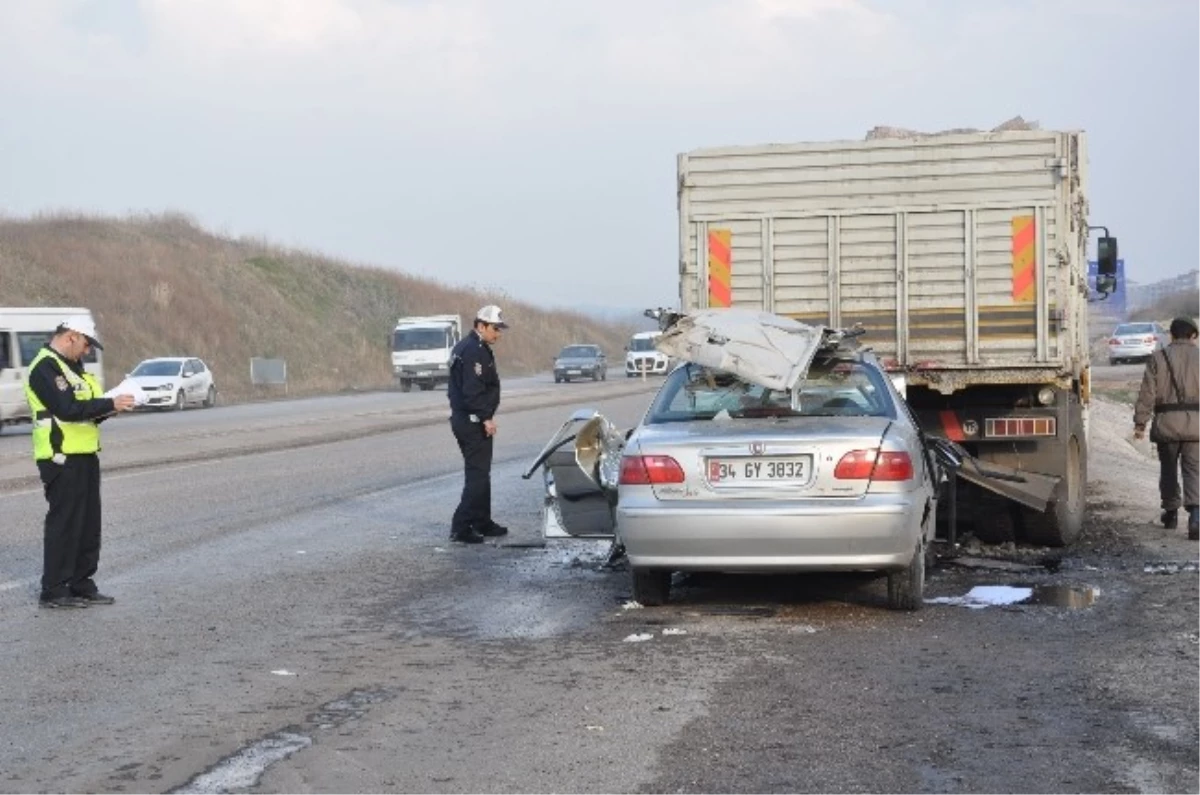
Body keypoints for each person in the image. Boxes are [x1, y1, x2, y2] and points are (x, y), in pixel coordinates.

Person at [25, 316, 136, 608]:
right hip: (60, 456)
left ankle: (81, 583)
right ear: (71, 336)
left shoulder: (75, 369)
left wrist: (111, 407)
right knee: (65, 523)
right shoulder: (45, 368)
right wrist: (108, 404)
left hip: (85, 453)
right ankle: (55, 590)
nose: (87, 351)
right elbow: (67, 408)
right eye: (86, 344)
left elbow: (88, 410)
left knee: (88, 523)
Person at [446, 305, 509, 544]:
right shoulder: (473, 351)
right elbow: (472, 392)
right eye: (495, 328)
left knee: (481, 474)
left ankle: (482, 521)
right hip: (472, 422)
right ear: (480, 326)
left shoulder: (474, 347)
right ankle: (461, 526)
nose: (498, 334)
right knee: (477, 475)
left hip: (468, 420)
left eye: (500, 329)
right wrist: (486, 418)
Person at [1134, 316, 1200, 539]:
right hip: (1196, 426)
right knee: (1195, 470)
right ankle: (1196, 517)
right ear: (1193, 336)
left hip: (1166, 424)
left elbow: (1147, 393)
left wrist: (1140, 423)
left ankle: (1170, 514)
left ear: (1171, 335)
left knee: (1168, 470)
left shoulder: (1157, 358)